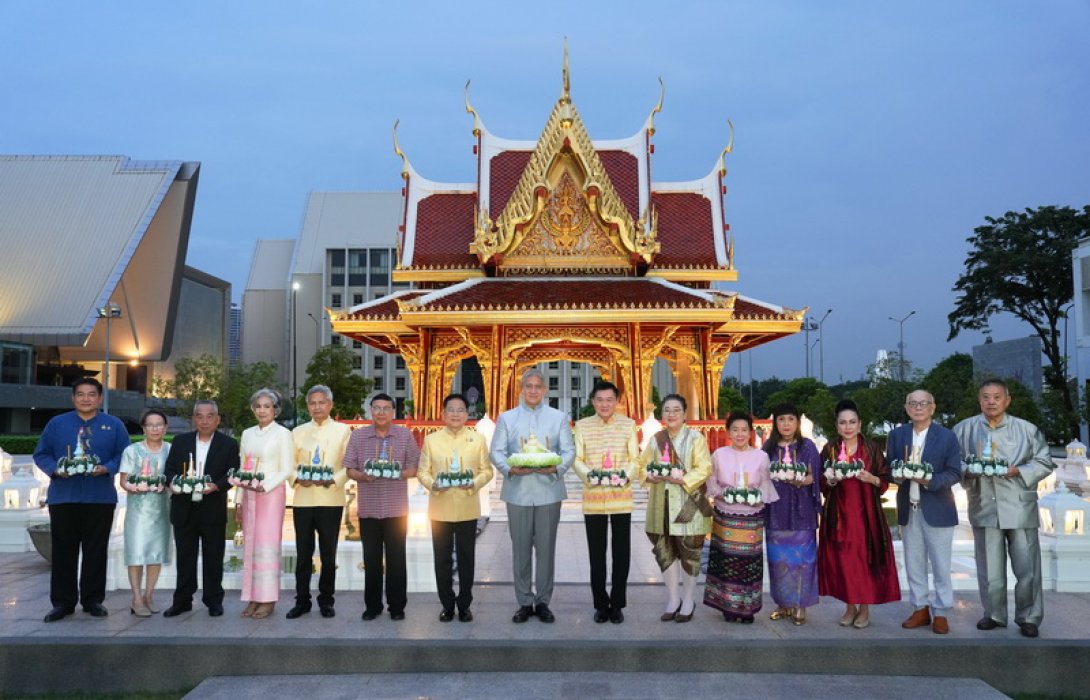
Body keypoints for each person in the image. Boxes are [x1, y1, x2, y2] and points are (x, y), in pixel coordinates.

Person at [953, 378, 1054, 638]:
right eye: (986, 397)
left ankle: (1029, 616)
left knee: (1027, 568)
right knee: (990, 571)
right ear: (979, 400)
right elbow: (954, 463)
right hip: (984, 504)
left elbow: (1044, 461)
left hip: (1019, 507)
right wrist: (970, 470)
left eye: (997, 397)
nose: (991, 401)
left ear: (1007, 400)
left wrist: (1019, 470)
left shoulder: (1026, 429)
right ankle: (994, 614)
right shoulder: (964, 429)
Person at [34, 378, 130, 622]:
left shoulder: (114, 424)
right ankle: (63, 603)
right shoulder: (57, 424)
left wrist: (107, 468)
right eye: (81, 394)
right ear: (73, 398)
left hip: (99, 498)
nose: (86, 398)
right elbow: (41, 453)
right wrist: (56, 469)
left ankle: (93, 600)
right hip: (63, 498)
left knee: (95, 552)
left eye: (91, 394)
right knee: (63, 552)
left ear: (100, 398)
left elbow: (125, 455)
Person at [491, 367, 576, 624]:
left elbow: (569, 450)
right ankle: (524, 601)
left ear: (545, 390)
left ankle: (543, 602)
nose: (533, 390)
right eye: (529, 386)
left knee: (547, 549)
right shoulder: (507, 418)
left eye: (538, 386)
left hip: (548, 490)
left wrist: (557, 467)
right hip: (517, 491)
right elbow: (496, 451)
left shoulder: (558, 417)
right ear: (522, 388)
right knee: (520, 550)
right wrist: (509, 469)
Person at [818, 399, 900, 629]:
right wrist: (831, 480)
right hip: (839, 516)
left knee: (864, 561)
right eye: (843, 423)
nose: (848, 427)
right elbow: (821, 481)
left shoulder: (872, 449)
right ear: (836, 426)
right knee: (844, 561)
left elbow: (885, 480)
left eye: (852, 422)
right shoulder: (830, 449)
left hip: (866, 515)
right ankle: (849, 606)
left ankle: (864, 609)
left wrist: (871, 478)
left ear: (860, 423)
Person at [886, 389, 963, 635]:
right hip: (909, 508)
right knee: (913, 562)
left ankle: (941, 611)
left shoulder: (947, 437)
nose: (918, 407)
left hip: (937, 507)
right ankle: (919, 608)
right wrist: (896, 476)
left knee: (941, 564)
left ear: (933, 407)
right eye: (913, 403)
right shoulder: (897, 436)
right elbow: (890, 468)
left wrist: (929, 480)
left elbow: (954, 472)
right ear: (907, 408)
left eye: (923, 403)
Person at [417, 393, 494, 622]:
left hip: (467, 507)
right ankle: (447, 604)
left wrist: (474, 483)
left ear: (467, 414)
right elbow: (422, 472)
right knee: (442, 559)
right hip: (439, 508)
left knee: (466, 558)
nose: (456, 414)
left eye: (460, 410)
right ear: (443, 414)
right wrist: (433, 484)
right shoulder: (432, 440)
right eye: (451, 409)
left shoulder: (477, 439)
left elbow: (487, 471)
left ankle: (465, 604)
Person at [344, 393, 420, 621]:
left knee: (397, 559)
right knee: (372, 559)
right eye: (376, 408)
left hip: (396, 509)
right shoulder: (358, 437)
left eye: (386, 408)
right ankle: (373, 605)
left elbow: (414, 467)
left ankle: (397, 606)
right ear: (371, 411)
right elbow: (349, 468)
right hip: (369, 509)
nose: (381, 413)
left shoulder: (405, 435)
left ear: (393, 412)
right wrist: (363, 476)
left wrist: (397, 474)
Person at [572, 381, 641, 624]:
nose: (604, 404)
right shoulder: (581, 426)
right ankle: (601, 604)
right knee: (596, 554)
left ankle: (618, 603)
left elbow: (636, 459)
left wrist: (624, 476)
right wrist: (590, 476)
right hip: (593, 498)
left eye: (609, 400)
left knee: (621, 554)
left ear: (617, 401)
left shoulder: (628, 425)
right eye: (599, 400)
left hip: (620, 498)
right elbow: (576, 459)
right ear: (593, 401)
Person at [640, 393, 712, 624]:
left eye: (676, 410)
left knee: (689, 552)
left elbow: (705, 467)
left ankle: (689, 599)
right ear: (662, 414)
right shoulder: (655, 439)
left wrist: (683, 479)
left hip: (689, 503)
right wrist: (649, 477)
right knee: (664, 551)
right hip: (660, 502)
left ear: (684, 414)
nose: (671, 414)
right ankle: (673, 599)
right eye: (667, 410)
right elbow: (641, 466)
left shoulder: (695, 438)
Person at [163, 400, 238, 618]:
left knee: (214, 556)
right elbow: (169, 470)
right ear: (193, 419)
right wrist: (174, 484)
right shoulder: (180, 441)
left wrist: (217, 485)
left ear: (217, 419)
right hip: (183, 507)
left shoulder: (228, 444)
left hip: (212, 507)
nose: (204, 421)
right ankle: (183, 600)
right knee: (185, 556)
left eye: (209, 416)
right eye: (199, 416)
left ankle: (214, 600)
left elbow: (232, 473)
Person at [704, 411, 778, 623]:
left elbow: (765, 484)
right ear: (728, 432)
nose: (739, 434)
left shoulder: (761, 456)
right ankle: (728, 605)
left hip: (751, 516)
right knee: (727, 559)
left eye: (744, 430)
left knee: (749, 561)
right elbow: (712, 481)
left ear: (751, 432)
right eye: (735, 430)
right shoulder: (719, 454)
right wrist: (722, 494)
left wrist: (757, 498)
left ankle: (748, 607)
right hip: (726, 514)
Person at [286, 385, 351, 620]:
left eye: (321, 402)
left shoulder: (343, 431)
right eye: (312, 403)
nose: (317, 407)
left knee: (328, 554)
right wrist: (296, 478)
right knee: (303, 554)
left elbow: (348, 464)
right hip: (303, 500)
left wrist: (333, 480)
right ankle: (302, 601)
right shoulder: (297, 432)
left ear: (330, 405)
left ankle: (326, 600)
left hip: (331, 499)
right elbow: (289, 464)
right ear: (307, 406)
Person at [761, 402, 821, 625]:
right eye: (781, 419)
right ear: (775, 423)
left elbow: (814, 478)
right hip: (776, 510)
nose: (786, 424)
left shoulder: (808, 447)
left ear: (797, 422)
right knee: (779, 561)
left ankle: (800, 605)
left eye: (790, 419)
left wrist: (800, 480)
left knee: (803, 560)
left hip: (801, 510)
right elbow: (761, 477)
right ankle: (783, 603)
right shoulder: (768, 447)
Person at [236, 388, 293, 620]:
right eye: (258, 406)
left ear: (276, 410)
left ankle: (268, 599)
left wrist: (264, 485)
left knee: (267, 547)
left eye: (267, 406)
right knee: (250, 547)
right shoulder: (247, 434)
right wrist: (238, 501)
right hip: (249, 494)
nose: (262, 410)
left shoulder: (283, 434)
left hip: (270, 494)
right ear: (253, 409)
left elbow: (287, 468)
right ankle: (252, 596)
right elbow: (243, 468)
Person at [118, 409, 172, 617]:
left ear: (166, 427)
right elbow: (124, 480)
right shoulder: (132, 451)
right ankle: (136, 598)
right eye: (151, 425)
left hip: (162, 509)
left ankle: (149, 595)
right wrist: (135, 486)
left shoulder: (171, 449)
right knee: (136, 553)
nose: (155, 428)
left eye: (159, 424)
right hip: (139, 510)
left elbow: (175, 475)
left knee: (156, 552)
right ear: (143, 428)